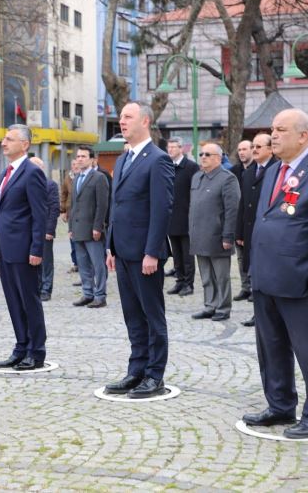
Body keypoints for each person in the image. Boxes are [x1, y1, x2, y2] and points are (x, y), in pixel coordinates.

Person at [243, 108, 308, 439]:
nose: (273, 135)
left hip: (300, 280)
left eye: (281, 130)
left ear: (304, 136)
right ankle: (280, 405)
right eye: (272, 129)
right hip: (266, 276)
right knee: (270, 347)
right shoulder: (275, 169)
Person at [105, 101, 174, 399]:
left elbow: (162, 209)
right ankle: (136, 370)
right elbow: (116, 205)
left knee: (151, 316)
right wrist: (110, 246)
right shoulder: (122, 160)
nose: (121, 121)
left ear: (145, 121)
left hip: (145, 254)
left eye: (128, 116)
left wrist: (152, 252)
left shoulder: (157, 159)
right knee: (132, 315)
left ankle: (154, 375)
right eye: (120, 117)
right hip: (122, 251)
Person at [0, 124, 48, 371]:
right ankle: (21, 346)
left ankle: (35, 351)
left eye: (9, 139)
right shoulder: (8, 172)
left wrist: (37, 249)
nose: (4, 143)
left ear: (24, 144)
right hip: (6, 249)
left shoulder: (31, 172)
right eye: (4, 138)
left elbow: (40, 214)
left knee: (29, 301)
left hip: (25, 250)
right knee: (14, 301)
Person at [190, 143, 240, 321]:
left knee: (221, 277)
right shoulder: (197, 177)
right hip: (199, 236)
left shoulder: (227, 178)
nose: (203, 157)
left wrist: (228, 236)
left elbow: (232, 210)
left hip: (217, 236)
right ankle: (210, 305)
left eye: (208, 154)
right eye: (201, 154)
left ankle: (223, 308)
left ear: (218, 158)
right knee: (205, 276)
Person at [235, 134, 277, 327]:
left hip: (269, 234)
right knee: (254, 275)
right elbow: (243, 204)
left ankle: (272, 313)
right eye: (253, 146)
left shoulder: (276, 170)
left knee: (269, 274)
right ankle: (258, 313)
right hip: (250, 232)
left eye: (259, 146)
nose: (254, 150)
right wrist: (240, 232)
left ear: (271, 149)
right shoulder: (249, 171)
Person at [70, 146, 109, 308]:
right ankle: (88, 293)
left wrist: (98, 227)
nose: (80, 159)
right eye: (78, 156)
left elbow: (102, 205)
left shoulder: (98, 177)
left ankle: (100, 295)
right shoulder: (76, 178)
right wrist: (71, 228)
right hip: (78, 230)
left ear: (92, 159)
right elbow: (73, 205)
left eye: (83, 156)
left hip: (93, 229)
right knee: (83, 264)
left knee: (98, 264)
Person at [166, 136, 199, 297]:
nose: (171, 149)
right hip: (171, 218)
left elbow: (196, 192)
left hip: (186, 217)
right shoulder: (166, 166)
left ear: (181, 149)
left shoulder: (191, 167)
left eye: (174, 147)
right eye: (169, 147)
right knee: (176, 254)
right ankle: (179, 280)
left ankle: (188, 283)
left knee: (187, 254)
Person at [30, 156, 60, 302]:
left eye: (36, 166)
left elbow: (54, 209)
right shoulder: (27, 184)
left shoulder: (50, 185)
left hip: (44, 230)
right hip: (29, 230)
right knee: (33, 260)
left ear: (41, 168)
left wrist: (49, 230)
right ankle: (36, 286)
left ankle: (46, 289)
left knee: (46, 261)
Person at [231, 139, 253, 301]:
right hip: (239, 220)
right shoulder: (234, 171)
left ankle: (254, 287)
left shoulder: (258, 170)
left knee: (253, 257)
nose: (242, 152)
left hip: (253, 222)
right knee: (240, 257)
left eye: (245, 149)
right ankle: (245, 287)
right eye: (239, 150)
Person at [60, 159, 79, 273]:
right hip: (70, 211)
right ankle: (76, 263)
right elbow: (63, 194)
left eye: (76, 163)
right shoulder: (68, 178)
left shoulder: (84, 176)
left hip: (81, 212)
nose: (75, 165)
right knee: (72, 238)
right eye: (73, 164)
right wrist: (62, 210)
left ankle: (84, 263)